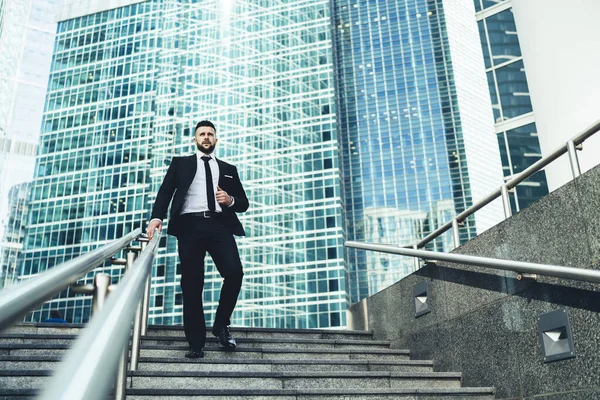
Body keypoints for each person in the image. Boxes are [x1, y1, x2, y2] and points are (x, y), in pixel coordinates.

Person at [146, 120, 248, 359]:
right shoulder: (180, 164)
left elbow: (243, 203)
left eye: (210, 134)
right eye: (202, 134)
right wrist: (155, 218)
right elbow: (165, 192)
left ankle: (221, 324)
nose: (206, 137)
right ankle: (196, 343)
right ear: (195, 139)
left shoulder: (228, 168)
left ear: (216, 139)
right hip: (189, 226)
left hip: (219, 225)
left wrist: (229, 200)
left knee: (234, 273)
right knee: (192, 284)